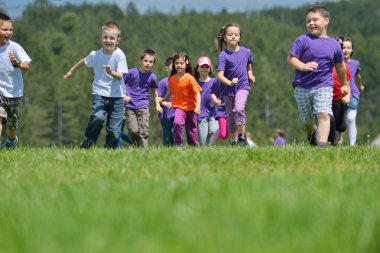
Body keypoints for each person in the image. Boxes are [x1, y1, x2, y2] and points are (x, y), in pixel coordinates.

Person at [287, 5, 350, 147]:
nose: (311, 23)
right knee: (307, 119)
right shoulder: (302, 40)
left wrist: (345, 84)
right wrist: (302, 66)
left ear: (326, 20)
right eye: (308, 21)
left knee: (323, 114)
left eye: (315, 19)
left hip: (324, 85)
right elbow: (291, 58)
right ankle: (311, 134)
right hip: (302, 86)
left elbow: (340, 67)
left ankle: (322, 146)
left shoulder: (334, 45)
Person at [64, 21, 128, 149]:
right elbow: (84, 60)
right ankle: (89, 140)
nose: (108, 40)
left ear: (118, 40)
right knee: (98, 117)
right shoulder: (96, 55)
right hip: (99, 93)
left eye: (112, 38)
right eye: (105, 37)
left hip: (117, 96)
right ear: (101, 38)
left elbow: (120, 76)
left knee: (114, 130)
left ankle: (109, 150)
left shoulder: (119, 55)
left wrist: (111, 72)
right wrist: (72, 70)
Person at [216, 23, 256, 146]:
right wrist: (229, 82)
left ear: (239, 37)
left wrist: (250, 74)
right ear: (225, 38)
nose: (233, 37)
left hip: (243, 86)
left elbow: (248, 66)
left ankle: (242, 137)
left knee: (239, 108)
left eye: (236, 35)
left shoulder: (246, 52)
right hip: (228, 89)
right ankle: (233, 141)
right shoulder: (223, 55)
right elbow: (220, 75)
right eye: (230, 34)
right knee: (231, 116)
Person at [0, 13, 31, 149]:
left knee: (12, 125)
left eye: (10, 30)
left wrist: (16, 63)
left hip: (14, 92)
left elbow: (26, 65)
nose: (8, 32)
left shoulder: (14, 47)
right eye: (5, 29)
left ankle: (12, 141)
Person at [159, 52, 202, 149]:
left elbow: (198, 94)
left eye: (181, 63)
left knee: (191, 130)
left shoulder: (190, 78)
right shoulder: (172, 78)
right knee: (177, 123)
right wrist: (164, 99)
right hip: (179, 106)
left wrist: (198, 106)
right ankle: (179, 144)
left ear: (186, 64)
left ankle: (193, 146)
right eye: (177, 63)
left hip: (191, 107)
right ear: (174, 65)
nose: (179, 65)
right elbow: (171, 90)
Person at [123, 48, 161, 148]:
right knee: (133, 130)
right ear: (141, 61)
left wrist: (157, 104)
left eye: (150, 62)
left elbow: (154, 90)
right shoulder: (130, 73)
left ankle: (144, 152)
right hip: (130, 106)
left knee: (144, 131)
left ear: (154, 63)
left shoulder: (152, 77)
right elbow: (120, 84)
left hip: (143, 106)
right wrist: (123, 96)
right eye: (145, 61)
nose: (148, 63)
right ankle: (136, 147)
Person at [328, 36, 351, 146]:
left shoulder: (343, 66)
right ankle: (329, 142)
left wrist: (347, 96)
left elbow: (347, 84)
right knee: (329, 120)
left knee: (341, 126)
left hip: (339, 99)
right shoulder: (324, 65)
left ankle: (338, 134)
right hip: (326, 98)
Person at [343, 36, 365, 146]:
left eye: (348, 47)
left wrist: (360, 86)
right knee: (342, 122)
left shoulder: (355, 63)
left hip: (353, 93)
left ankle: (352, 145)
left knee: (351, 119)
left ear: (352, 50)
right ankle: (338, 139)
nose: (346, 50)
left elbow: (357, 76)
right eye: (344, 47)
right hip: (339, 94)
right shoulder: (337, 64)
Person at [194, 56, 219, 146]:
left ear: (210, 68)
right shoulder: (195, 83)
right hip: (201, 114)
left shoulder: (215, 81)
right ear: (197, 69)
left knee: (213, 132)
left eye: (206, 67)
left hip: (214, 113)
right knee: (203, 139)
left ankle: (212, 152)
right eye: (202, 67)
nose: (204, 69)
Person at [157, 57, 175, 146]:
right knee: (167, 136)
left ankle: (178, 149)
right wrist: (165, 103)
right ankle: (167, 150)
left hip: (178, 113)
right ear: (167, 68)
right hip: (166, 114)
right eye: (173, 66)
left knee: (177, 134)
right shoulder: (162, 83)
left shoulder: (181, 82)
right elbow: (158, 98)